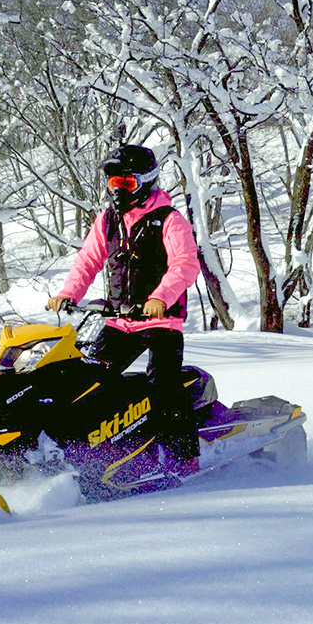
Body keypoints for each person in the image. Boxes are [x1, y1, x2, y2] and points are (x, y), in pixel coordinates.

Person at [47, 144, 201, 446]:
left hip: (160, 322)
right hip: (119, 322)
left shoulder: (169, 219)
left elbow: (185, 264)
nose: (118, 191)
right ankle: (92, 445)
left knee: (163, 386)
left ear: (146, 181)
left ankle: (183, 456)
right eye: (114, 183)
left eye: (126, 183)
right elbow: (88, 260)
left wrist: (160, 298)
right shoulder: (107, 220)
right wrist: (68, 294)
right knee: (86, 380)